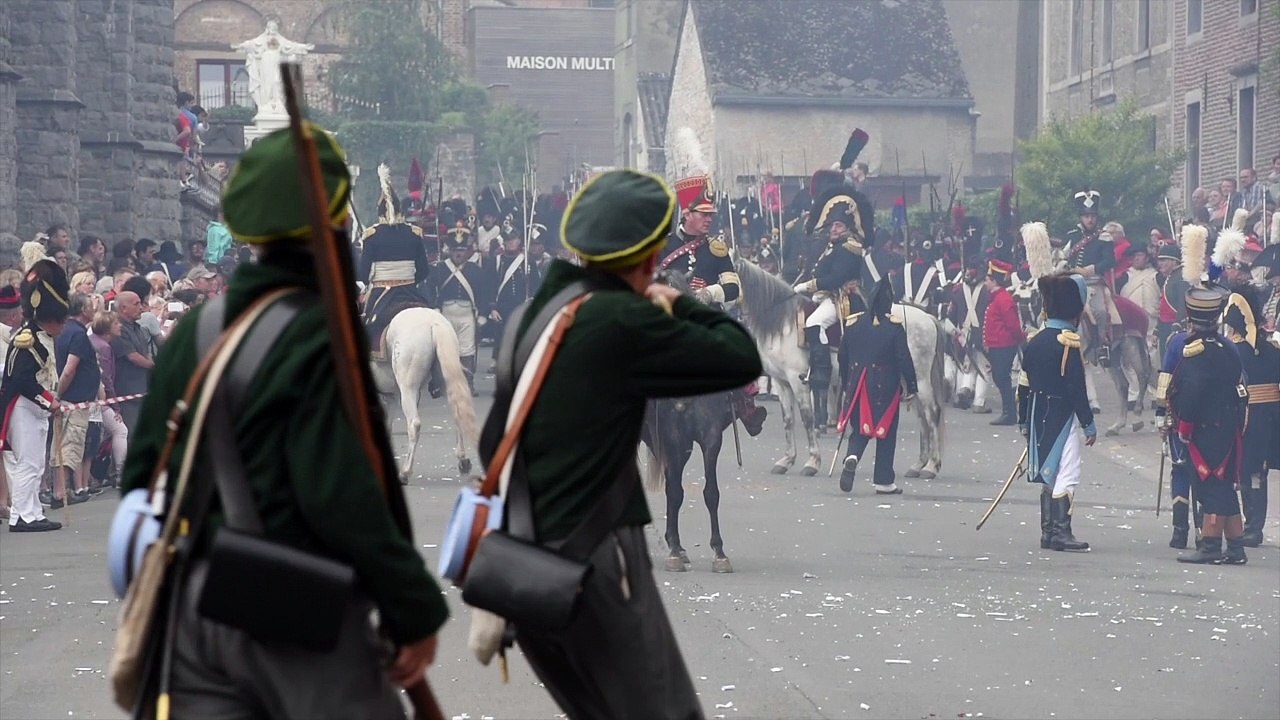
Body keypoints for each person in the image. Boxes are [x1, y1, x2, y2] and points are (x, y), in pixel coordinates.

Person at [120, 124, 447, 717]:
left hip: (195, 615)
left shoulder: (195, 332)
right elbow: (342, 495)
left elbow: (143, 479)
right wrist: (413, 609)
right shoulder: (321, 338)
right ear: (338, 227)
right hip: (304, 615)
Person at [481, 168, 760, 719]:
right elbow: (738, 353)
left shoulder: (527, 318)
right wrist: (675, 301)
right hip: (598, 560)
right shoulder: (622, 317)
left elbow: (495, 438)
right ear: (652, 255)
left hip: (520, 566)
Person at [660, 175, 766, 435]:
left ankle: (745, 405)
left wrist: (709, 292)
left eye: (711, 214)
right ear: (687, 213)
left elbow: (734, 289)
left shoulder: (716, 249)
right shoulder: (662, 246)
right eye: (703, 214)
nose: (709, 219)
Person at [1166, 286, 1249, 565]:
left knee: (1211, 483)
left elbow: (1192, 391)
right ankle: (1236, 546)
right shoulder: (1227, 346)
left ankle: (1211, 544)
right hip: (1227, 424)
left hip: (1206, 426)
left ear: (1190, 317)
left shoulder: (1196, 350)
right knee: (1224, 485)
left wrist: (1185, 426)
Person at [1017, 273, 1096, 552]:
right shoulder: (1068, 344)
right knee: (1068, 473)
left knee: (1049, 473)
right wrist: (1088, 423)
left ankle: (1048, 532)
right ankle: (1061, 532)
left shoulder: (1034, 341)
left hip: (1038, 412)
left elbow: (1023, 385)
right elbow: (1076, 389)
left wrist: (1023, 420)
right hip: (1061, 413)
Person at [792, 179, 873, 431]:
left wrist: (809, 286)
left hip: (845, 298)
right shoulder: (833, 245)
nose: (833, 229)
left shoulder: (851, 247)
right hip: (830, 296)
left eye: (838, 225)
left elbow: (837, 278)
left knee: (814, 322)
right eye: (832, 225)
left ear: (847, 227)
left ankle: (821, 371)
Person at [0, 260, 69, 532]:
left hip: (36, 408)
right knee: (27, 463)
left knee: (36, 464)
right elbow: (21, 380)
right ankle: (22, 516)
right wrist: (49, 400)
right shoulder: (28, 339)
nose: (62, 326)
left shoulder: (42, 337)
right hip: (23, 407)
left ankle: (31, 512)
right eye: (60, 321)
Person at [836, 277, 917, 494]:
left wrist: (846, 381)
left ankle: (852, 455)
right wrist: (912, 386)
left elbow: (842, 356)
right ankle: (883, 480)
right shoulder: (894, 327)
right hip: (886, 385)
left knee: (859, 428)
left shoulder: (853, 323)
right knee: (886, 432)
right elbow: (903, 358)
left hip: (858, 383)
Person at [1222, 286, 1278, 548]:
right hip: (1265, 419)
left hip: (1246, 417)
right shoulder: (1271, 348)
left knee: (1249, 471)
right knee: (1255, 472)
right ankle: (1252, 525)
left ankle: (1253, 525)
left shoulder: (1231, 351)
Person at [357, 171, 432, 355]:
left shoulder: (371, 235)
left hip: (381, 292)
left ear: (379, 211)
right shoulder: (413, 233)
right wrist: (409, 279)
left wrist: (364, 288)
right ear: (400, 209)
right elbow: (424, 270)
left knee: (362, 328)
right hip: (410, 290)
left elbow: (363, 274)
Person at [425, 225, 489, 393]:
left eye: (461, 250)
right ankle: (444, 383)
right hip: (446, 313)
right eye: (455, 250)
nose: (458, 254)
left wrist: (482, 314)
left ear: (467, 251)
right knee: (444, 349)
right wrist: (434, 308)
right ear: (449, 250)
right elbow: (430, 289)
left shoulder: (475, 270)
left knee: (467, 350)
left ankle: (468, 382)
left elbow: (483, 293)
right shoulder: (439, 269)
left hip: (467, 314)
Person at [53, 293, 102, 505]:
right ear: (83, 309)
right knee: (69, 446)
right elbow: (70, 369)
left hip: (68, 400)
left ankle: (58, 489)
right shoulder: (78, 335)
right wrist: (59, 394)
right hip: (73, 401)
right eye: (91, 305)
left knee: (60, 447)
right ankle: (61, 493)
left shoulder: (64, 331)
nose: (94, 309)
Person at [1064, 190, 1118, 364]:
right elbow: (1065, 257)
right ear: (1081, 217)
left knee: (1101, 312)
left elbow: (1110, 261)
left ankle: (1102, 345)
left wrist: (1091, 269)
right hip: (1073, 283)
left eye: (1092, 216)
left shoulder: (1104, 237)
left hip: (1094, 283)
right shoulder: (1072, 236)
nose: (1090, 220)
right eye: (1086, 216)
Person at [944, 258, 993, 414]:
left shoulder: (957, 291)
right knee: (984, 369)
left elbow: (949, 316)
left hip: (963, 334)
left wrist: (955, 333)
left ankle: (964, 389)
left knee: (968, 367)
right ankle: (979, 402)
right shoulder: (987, 291)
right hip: (982, 334)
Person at [982, 258, 1023, 426]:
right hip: (997, 344)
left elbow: (1012, 324)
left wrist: (1019, 339)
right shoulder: (996, 298)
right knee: (1001, 378)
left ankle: (1010, 413)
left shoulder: (1003, 299)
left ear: (994, 281)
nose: (985, 283)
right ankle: (1009, 411)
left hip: (1004, 345)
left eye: (987, 280)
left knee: (1001, 378)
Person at [109, 290, 153, 432]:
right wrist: (155, 367)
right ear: (123, 308)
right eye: (137, 304)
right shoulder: (118, 329)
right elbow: (132, 356)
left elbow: (146, 353)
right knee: (130, 433)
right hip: (127, 392)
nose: (141, 307)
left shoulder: (138, 328)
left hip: (142, 389)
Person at [1155, 244, 1189, 360]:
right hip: (1165, 327)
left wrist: (1177, 325)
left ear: (1174, 261)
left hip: (1175, 328)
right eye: (1159, 260)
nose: (1160, 264)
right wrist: (1157, 330)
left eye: (1163, 260)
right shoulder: (1171, 277)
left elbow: (1183, 303)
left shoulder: (1181, 277)